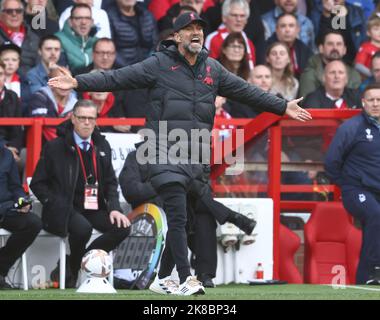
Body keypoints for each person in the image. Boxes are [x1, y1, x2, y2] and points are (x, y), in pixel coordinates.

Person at [47, 12, 312, 295]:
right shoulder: (158, 64)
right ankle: (187, 278)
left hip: (195, 155)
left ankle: (162, 279)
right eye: (188, 28)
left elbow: (247, 92)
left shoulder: (213, 69)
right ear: (176, 36)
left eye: (199, 27)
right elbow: (117, 78)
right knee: (177, 215)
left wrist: (282, 107)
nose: (196, 32)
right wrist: (78, 83)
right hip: (160, 149)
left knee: (185, 222)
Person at [119, 150, 256, 289]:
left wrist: (174, 182)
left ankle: (205, 275)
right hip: (153, 208)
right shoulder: (136, 157)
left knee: (203, 214)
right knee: (192, 205)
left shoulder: (180, 155)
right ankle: (232, 216)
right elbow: (131, 191)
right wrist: (164, 182)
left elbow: (201, 186)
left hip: (181, 203)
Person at [30, 100, 131, 288]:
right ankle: (75, 268)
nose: (86, 122)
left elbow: (110, 182)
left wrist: (115, 209)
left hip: (93, 206)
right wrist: (53, 202)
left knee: (123, 227)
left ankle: (74, 264)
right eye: (82, 118)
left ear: (96, 121)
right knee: (82, 228)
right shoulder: (55, 146)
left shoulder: (102, 145)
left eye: (91, 118)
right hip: (64, 208)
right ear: (73, 119)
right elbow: (38, 184)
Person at [324, 83, 380, 285]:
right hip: (357, 189)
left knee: (374, 226)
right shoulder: (351, 127)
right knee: (376, 215)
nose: (375, 104)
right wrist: (348, 184)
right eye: (371, 100)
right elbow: (331, 162)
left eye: (379, 100)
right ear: (363, 103)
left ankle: (365, 278)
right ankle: (375, 269)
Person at [0, 137, 42, 289]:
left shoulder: (6, 154)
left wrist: (22, 200)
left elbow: (15, 186)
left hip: (5, 208)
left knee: (33, 223)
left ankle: (1, 269)